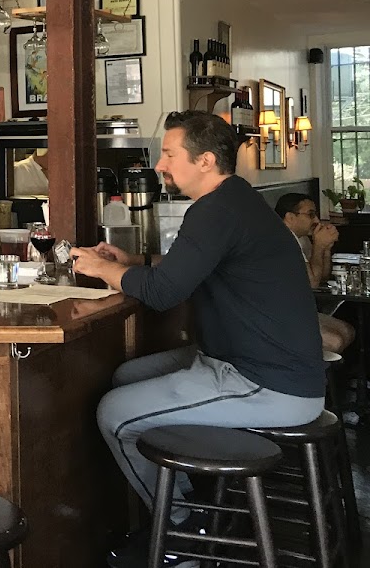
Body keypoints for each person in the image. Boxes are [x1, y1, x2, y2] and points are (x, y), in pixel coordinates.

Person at [71, 111, 324, 568]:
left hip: (268, 382)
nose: (161, 166)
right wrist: (136, 257)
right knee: (126, 375)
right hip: (258, 365)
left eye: (169, 154)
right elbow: (190, 263)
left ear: (205, 160)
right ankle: (192, 499)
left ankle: (183, 530)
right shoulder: (235, 201)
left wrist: (101, 268)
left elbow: (164, 291)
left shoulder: (215, 209)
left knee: (114, 414)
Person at [275, 193, 355, 354]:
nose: (316, 220)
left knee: (348, 330)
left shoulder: (299, 238)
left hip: (296, 309)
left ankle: (338, 375)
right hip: (278, 316)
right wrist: (318, 245)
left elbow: (322, 276)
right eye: (311, 214)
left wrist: (325, 247)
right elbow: (313, 283)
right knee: (336, 339)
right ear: (290, 217)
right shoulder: (282, 241)